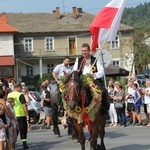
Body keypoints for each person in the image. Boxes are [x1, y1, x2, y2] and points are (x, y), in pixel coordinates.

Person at [73, 43, 110, 118]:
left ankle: (104, 110)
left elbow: (102, 71)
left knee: (103, 91)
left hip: (93, 80)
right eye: (82, 51)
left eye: (85, 51)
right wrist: (77, 72)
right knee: (71, 92)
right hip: (81, 80)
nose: (84, 52)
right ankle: (71, 112)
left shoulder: (94, 60)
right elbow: (73, 71)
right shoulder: (79, 60)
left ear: (89, 51)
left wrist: (94, 75)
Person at [52, 56, 72, 137]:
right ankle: (58, 103)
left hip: (67, 84)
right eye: (67, 61)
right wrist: (57, 80)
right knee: (56, 92)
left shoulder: (70, 69)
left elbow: (70, 77)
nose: (68, 62)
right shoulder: (59, 66)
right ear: (63, 61)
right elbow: (53, 73)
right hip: (60, 83)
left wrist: (68, 76)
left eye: (69, 61)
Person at [7, 82, 29, 149]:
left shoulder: (9, 94)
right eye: (20, 87)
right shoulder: (20, 95)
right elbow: (24, 105)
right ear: (17, 87)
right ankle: (24, 144)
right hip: (21, 114)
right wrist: (27, 114)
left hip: (12, 114)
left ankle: (13, 144)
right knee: (23, 130)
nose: (21, 89)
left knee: (14, 130)